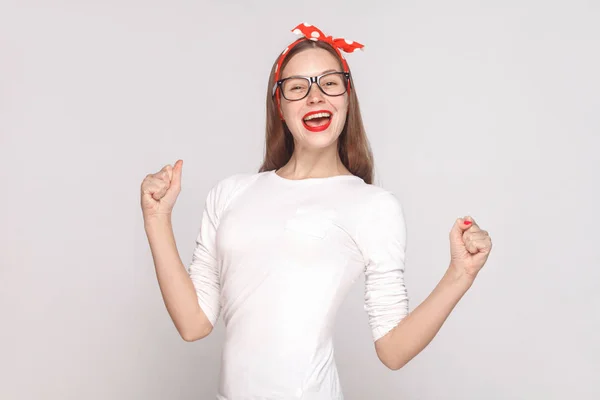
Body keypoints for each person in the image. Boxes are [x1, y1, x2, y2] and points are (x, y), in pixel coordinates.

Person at [140, 23, 493, 400]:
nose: (314, 96)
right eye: (297, 87)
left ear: (347, 96)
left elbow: (393, 350)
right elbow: (193, 323)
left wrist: (461, 273)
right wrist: (157, 219)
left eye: (329, 83)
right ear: (279, 105)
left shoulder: (372, 206)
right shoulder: (230, 194)